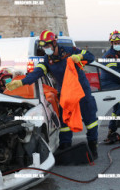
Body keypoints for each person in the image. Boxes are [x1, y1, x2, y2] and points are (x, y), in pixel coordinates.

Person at [6, 30, 99, 159]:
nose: (46, 49)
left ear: (54, 43)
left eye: (48, 45)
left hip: (81, 90)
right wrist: (22, 82)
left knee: (90, 119)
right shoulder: (47, 59)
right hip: (65, 92)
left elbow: (90, 56)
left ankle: (93, 145)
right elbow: (37, 72)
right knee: (65, 120)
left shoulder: (69, 50)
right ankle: (66, 146)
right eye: (44, 46)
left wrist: (80, 57)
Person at [100, 30, 120, 143]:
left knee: (116, 106)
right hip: (109, 82)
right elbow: (113, 70)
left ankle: (112, 129)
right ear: (111, 43)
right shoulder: (108, 55)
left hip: (118, 82)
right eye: (115, 42)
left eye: (119, 42)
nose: (117, 44)